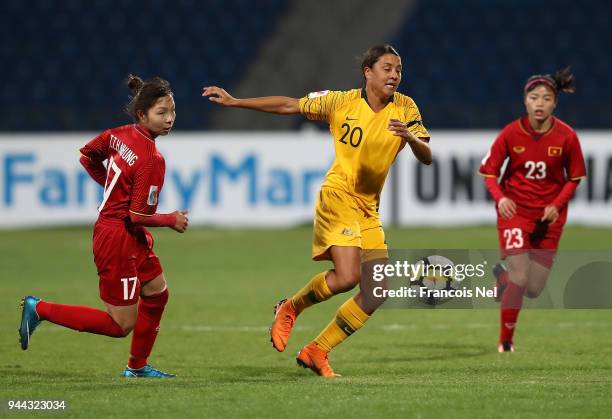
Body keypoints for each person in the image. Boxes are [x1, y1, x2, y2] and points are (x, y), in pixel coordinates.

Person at [203, 44, 432, 377]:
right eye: (387, 67)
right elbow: (290, 105)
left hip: (368, 208)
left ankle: (316, 350)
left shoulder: (406, 107)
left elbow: (427, 156)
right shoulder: (341, 102)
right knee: (348, 276)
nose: (394, 74)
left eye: (399, 69)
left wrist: (411, 138)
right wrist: (237, 101)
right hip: (338, 196)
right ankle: (290, 308)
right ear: (368, 72)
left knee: (377, 291)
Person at [19, 75, 189, 377]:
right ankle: (39, 309)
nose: (170, 119)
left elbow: (87, 157)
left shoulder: (118, 135)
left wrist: (114, 187)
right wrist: (171, 219)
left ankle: (137, 368)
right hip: (118, 237)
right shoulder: (152, 158)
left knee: (157, 293)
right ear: (142, 114)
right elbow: (138, 214)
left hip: (126, 232)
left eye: (172, 111)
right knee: (120, 324)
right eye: (161, 113)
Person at [479, 67, 586, 353]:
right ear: (525, 101)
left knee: (534, 288)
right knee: (521, 277)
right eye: (534, 97)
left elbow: (574, 178)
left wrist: (556, 205)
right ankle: (506, 341)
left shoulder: (566, 136)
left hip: (550, 218)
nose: (540, 103)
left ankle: (502, 277)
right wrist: (501, 198)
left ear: (555, 103)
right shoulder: (511, 134)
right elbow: (489, 172)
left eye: (547, 98)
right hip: (515, 213)